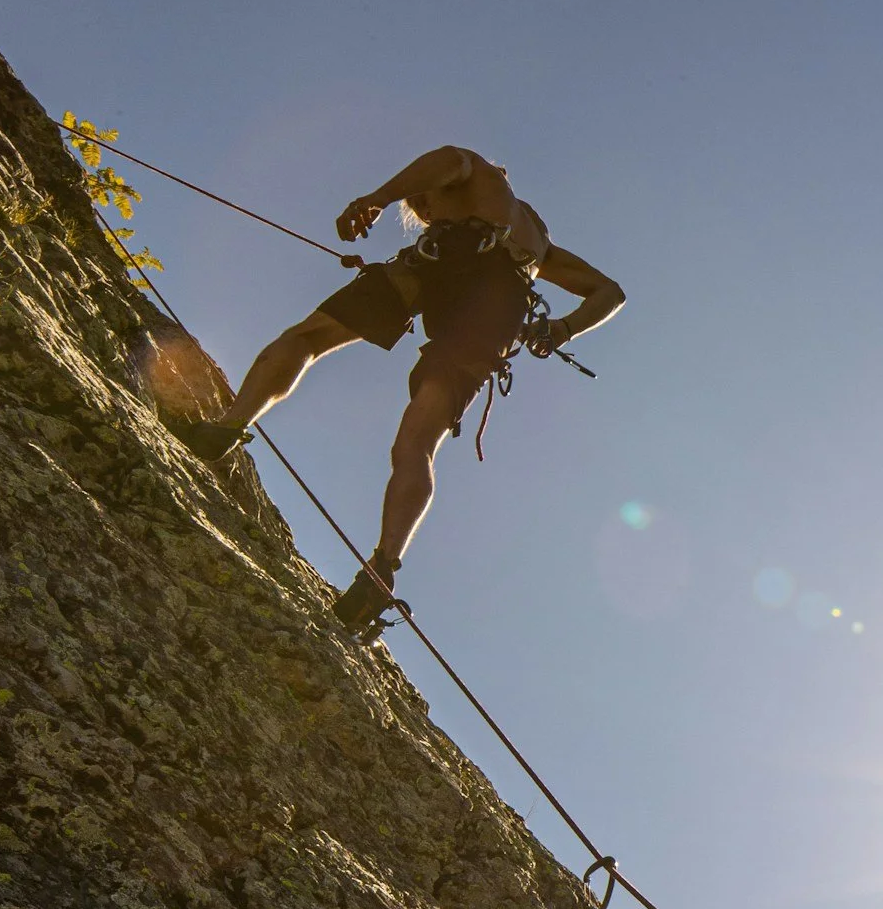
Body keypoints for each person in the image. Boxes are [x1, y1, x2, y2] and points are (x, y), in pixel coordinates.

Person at [176, 146, 625, 637]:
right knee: (417, 443)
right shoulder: (536, 241)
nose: (427, 212)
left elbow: (451, 161)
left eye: (424, 207)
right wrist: (560, 330)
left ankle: (226, 426)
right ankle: (383, 567)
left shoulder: (472, 172)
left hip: (438, 266)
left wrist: (377, 198)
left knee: (305, 339)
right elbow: (609, 292)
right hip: (500, 304)